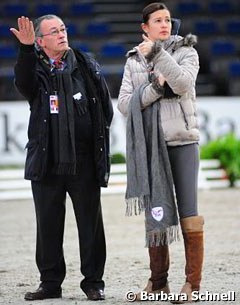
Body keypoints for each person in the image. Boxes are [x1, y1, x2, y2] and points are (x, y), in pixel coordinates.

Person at [10, 15, 113, 301]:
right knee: (48, 225)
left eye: (63, 29)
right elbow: (23, 81)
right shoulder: (35, 68)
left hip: (84, 160)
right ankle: (50, 283)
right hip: (47, 160)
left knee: (91, 225)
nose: (61, 34)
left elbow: (105, 108)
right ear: (41, 42)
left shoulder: (86, 63)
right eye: (53, 32)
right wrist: (25, 49)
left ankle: (93, 282)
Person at [118, 2, 204, 303]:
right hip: (151, 147)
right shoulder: (133, 60)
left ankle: (193, 285)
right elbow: (125, 105)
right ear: (145, 27)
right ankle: (158, 283)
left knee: (189, 214)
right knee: (156, 216)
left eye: (167, 19)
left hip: (182, 143)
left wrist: (157, 54)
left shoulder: (186, 51)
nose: (164, 24)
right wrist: (155, 87)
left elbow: (181, 84)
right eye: (157, 20)